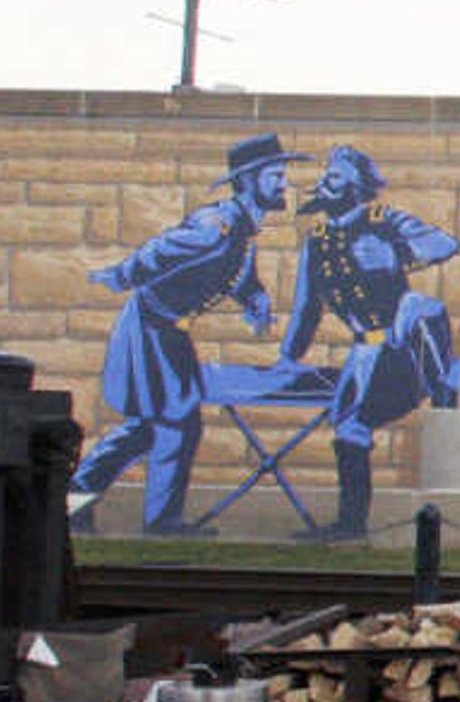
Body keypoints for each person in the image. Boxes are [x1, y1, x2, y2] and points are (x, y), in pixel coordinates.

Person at [70, 132, 299, 535]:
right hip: (151, 327)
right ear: (248, 179)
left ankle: (75, 501)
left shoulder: (241, 231)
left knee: (148, 427)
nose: (284, 184)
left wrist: (255, 300)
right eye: (275, 175)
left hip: (171, 332)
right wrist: (121, 275)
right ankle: (162, 522)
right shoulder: (219, 224)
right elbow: (160, 251)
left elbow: (239, 274)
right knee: (176, 421)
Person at [281, 144, 460, 539]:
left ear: (356, 188)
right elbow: (306, 307)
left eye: (333, 179)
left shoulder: (384, 221)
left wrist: (395, 252)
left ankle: (445, 379)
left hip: (402, 344)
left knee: (355, 423)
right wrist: (289, 357)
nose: (323, 184)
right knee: (349, 428)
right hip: (365, 350)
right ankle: (349, 524)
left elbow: (444, 244)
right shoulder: (319, 240)